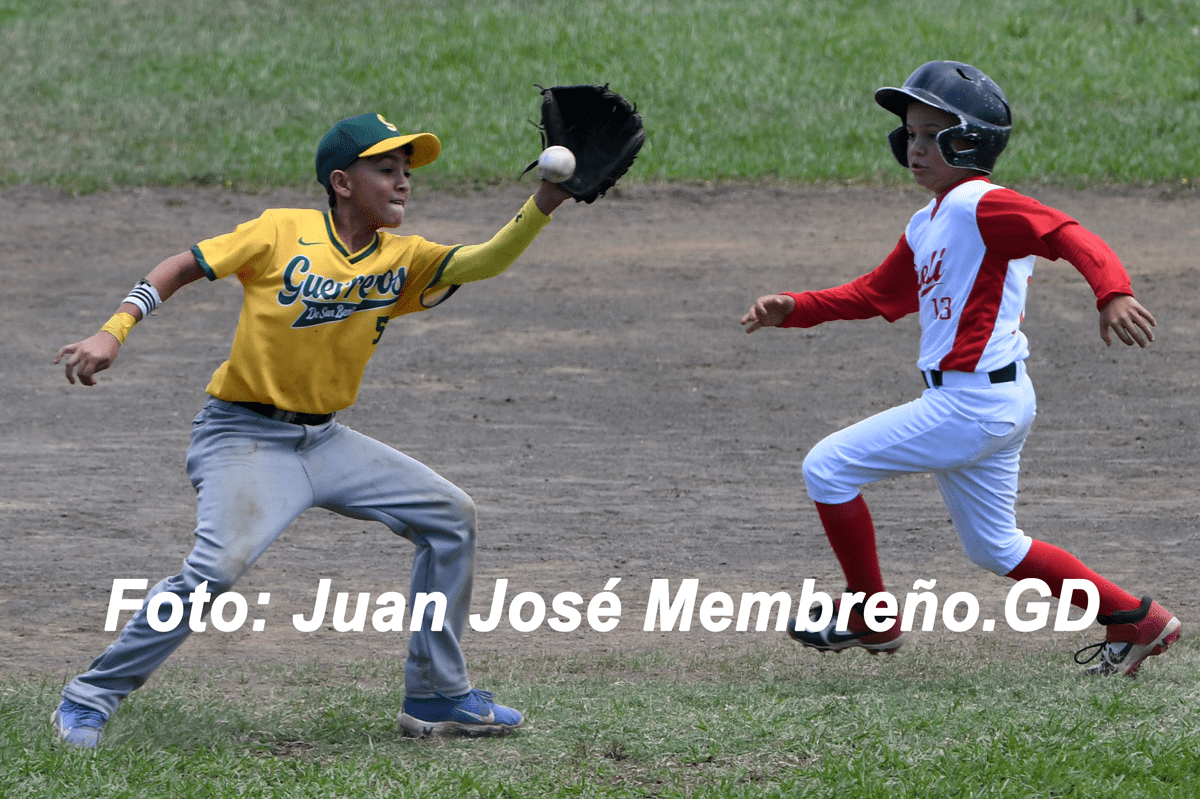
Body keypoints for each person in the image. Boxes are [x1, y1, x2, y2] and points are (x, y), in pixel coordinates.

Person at [51, 112, 576, 748]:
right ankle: (90, 696)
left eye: (407, 172)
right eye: (386, 170)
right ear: (342, 182)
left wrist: (546, 199)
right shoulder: (281, 231)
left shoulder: (404, 256)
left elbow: (486, 260)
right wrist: (115, 330)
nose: (403, 183)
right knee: (215, 567)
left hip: (325, 442)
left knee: (449, 515)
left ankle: (436, 695)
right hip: (242, 435)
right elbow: (181, 266)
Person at [741, 61, 1181, 676]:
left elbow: (1065, 232)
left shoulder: (983, 205)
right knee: (995, 547)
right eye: (910, 135)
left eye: (929, 135)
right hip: (991, 402)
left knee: (828, 466)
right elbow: (881, 294)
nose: (914, 148)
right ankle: (1134, 617)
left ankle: (872, 615)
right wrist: (798, 309)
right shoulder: (928, 222)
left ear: (968, 141)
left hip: (971, 405)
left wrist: (1112, 291)